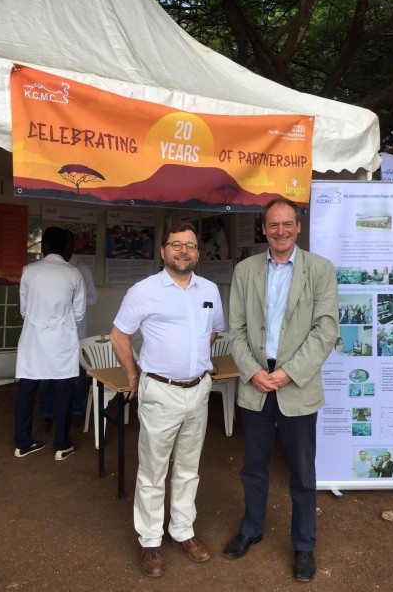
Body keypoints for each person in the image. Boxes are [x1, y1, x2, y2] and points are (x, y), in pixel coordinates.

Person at [223, 199, 338, 583]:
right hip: (256, 381)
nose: (281, 231)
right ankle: (251, 529)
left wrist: (289, 372)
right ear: (264, 229)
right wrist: (253, 370)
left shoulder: (320, 270)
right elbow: (235, 330)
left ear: (298, 227)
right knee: (253, 467)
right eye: (273, 225)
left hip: (296, 383)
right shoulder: (245, 270)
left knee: (302, 472)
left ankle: (304, 544)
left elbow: (326, 330)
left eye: (287, 224)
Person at [109, 223, 225, 578]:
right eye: (176, 244)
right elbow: (119, 335)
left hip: (198, 390)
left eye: (190, 245)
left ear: (198, 253)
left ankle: (183, 531)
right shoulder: (144, 291)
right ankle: (149, 541)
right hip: (160, 391)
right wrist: (133, 377)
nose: (184, 251)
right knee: (153, 472)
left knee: (189, 469)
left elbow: (214, 329)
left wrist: (193, 362)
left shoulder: (209, 289)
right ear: (163, 251)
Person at [14, 226, 86, 460]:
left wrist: (40, 321)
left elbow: (24, 310)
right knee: (63, 391)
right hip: (61, 342)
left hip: (33, 340)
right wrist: (58, 324)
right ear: (67, 247)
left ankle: (23, 443)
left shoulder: (28, 271)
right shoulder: (74, 274)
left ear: (43, 246)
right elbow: (79, 314)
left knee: (26, 391)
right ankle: (61, 444)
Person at [38, 229, 99, 431]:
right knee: (47, 375)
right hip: (49, 332)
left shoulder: (82, 269)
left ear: (71, 246)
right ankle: (47, 413)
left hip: (74, 333)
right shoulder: (47, 268)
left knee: (77, 376)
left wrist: (69, 303)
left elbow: (93, 298)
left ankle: (77, 411)